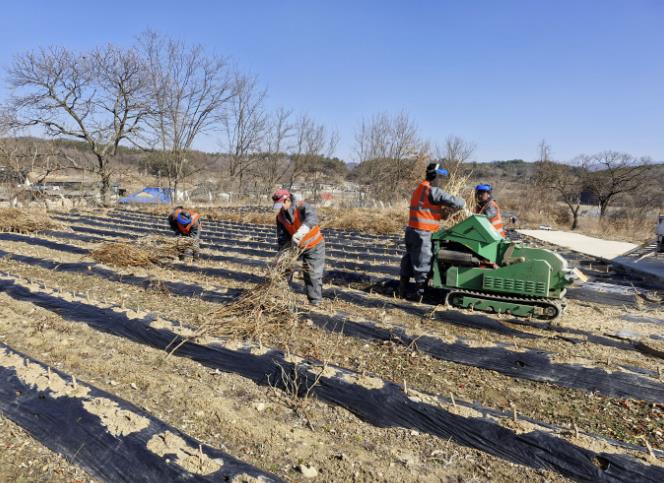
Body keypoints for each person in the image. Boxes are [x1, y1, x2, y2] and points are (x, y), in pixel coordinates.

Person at [400, 162, 466, 300]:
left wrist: (445, 214)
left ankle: (402, 289)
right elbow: (454, 201)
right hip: (422, 233)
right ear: (435, 176)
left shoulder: (420, 188)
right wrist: (464, 203)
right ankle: (420, 295)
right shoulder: (432, 190)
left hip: (411, 231)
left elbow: (427, 211)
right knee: (423, 264)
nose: (441, 181)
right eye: (440, 178)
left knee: (410, 260)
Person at [272, 188, 325, 306]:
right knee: (284, 268)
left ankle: (315, 301)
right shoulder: (280, 217)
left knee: (312, 274)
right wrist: (282, 254)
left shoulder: (302, 206)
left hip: (314, 245)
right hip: (296, 246)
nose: (280, 208)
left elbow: (312, 219)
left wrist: (302, 231)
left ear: (287, 200)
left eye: (281, 204)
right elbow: (282, 237)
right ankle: (281, 296)